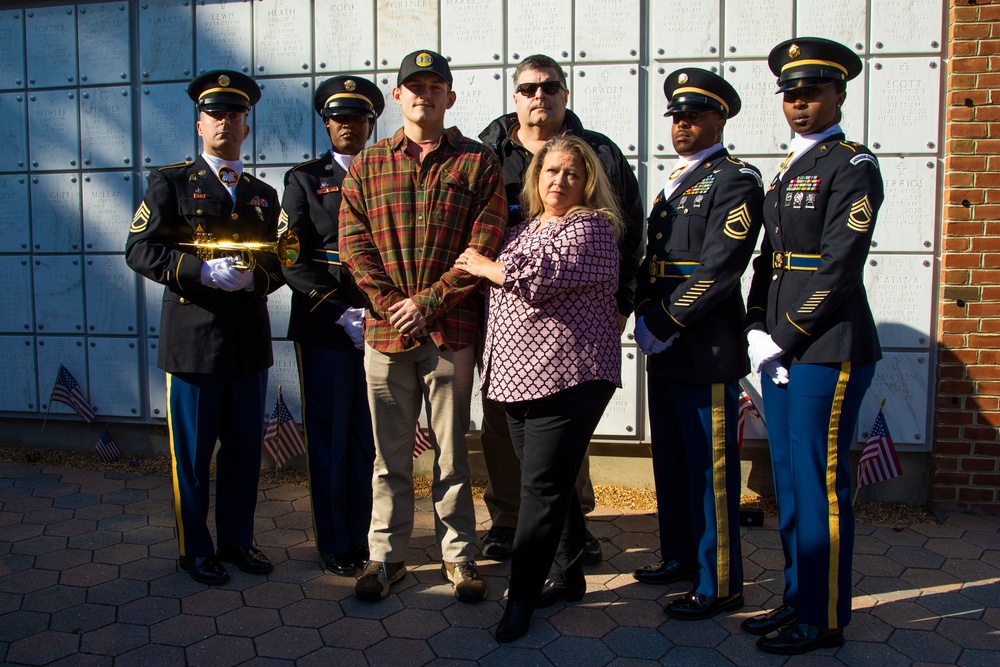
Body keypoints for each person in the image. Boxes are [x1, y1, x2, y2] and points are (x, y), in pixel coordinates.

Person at [338, 50, 507, 603]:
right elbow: (354, 246)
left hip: (450, 337)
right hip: (386, 337)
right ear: (399, 95)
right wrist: (392, 306)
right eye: (414, 86)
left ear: (450, 98)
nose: (424, 95)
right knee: (388, 460)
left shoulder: (478, 163)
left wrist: (427, 304)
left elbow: (484, 245)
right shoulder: (368, 164)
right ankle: (386, 559)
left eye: (435, 87)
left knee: (453, 456)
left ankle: (459, 559)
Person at [742, 37, 883, 655]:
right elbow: (769, 260)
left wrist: (782, 339)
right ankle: (798, 596)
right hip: (781, 348)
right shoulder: (790, 167)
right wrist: (753, 327)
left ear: (840, 94)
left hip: (826, 346)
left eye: (812, 93)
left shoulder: (853, 165)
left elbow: (838, 267)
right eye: (791, 95)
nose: (799, 105)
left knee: (822, 484)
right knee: (792, 483)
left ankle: (823, 619)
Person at [476, 53, 645, 563]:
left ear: (564, 94)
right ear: (515, 96)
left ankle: (573, 528)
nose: (539, 97)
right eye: (528, 88)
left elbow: (630, 231)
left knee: (563, 433)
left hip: (572, 329)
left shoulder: (598, 152)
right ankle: (509, 520)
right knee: (504, 426)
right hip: (507, 325)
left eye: (549, 87)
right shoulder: (487, 154)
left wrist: (623, 304)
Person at [456, 135, 623, 642]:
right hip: (518, 380)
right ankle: (570, 575)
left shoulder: (593, 228)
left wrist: (486, 267)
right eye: (551, 171)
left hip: (571, 376)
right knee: (547, 478)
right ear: (536, 176)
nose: (560, 181)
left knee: (541, 489)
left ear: (588, 180)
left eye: (572, 173)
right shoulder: (523, 227)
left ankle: (522, 598)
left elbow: (538, 278)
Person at [125, 70, 284, 585]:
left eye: (235, 115)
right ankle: (195, 549)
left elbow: (283, 260)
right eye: (216, 114)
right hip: (194, 344)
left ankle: (239, 541)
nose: (225, 123)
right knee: (192, 458)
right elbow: (140, 249)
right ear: (200, 124)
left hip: (246, 344)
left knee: (243, 452)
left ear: (247, 125)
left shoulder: (263, 193)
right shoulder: (171, 184)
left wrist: (254, 280)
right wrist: (201, 271)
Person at [632, 69, 764, 621]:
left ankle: (722, 583)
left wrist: (663, 320)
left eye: (694, 115)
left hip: (701, 344)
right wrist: (639, 312)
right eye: (676, 116)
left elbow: (720, 267)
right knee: (673, 461)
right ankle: (681, 556)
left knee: (711, 471)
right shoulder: (677, 181)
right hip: (665, 347)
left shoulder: (736, 179)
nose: (681, 125)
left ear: (720, 118)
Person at [278, 76, 384, 577]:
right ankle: (335, 543)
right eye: (339, 117)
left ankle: (367, 537)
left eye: (359, 117)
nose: (349, 125)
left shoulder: (387, 172)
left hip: (381, 325)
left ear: (370, 124)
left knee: (370, 439)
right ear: (326, 122)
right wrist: (341, 312)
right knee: (331, 439)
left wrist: (380, 311)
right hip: (326, 327)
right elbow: (291, 258)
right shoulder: (303, 180)